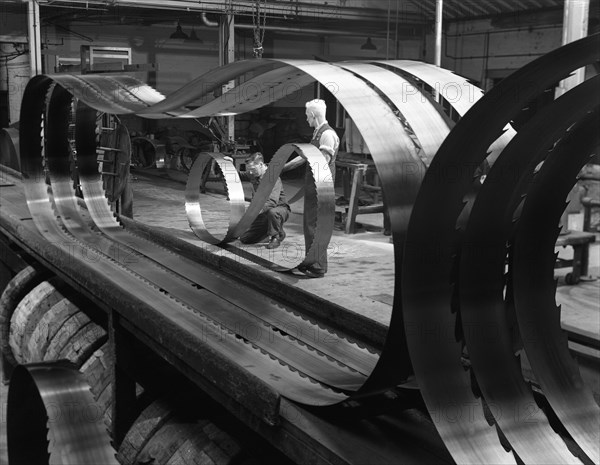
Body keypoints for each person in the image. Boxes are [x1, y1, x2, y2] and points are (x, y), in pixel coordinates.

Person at [285, 98, 340, 278]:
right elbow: (303, 156)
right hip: (312, 186)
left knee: (317, 226)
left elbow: (321, 163)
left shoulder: (327, 135)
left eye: (307, 116)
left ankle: (318, 266)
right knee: (309, 225)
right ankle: (311, 262)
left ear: (314, 115)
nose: (306, 120)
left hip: (321, 188)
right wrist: (282, 167)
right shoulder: (317, 133)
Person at [237, 152, 290, 250]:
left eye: (253, 169)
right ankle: (274, 231)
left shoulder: (272, 178)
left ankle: (276, 237)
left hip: (279, 209)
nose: (251, 173)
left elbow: (272, 202)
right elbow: (240, 175)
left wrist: (254, 211)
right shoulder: (253, 174)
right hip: (262, 211)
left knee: (272, 212)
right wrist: (229, 165)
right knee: (245, 239)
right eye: (249, 170)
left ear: (261, 164)